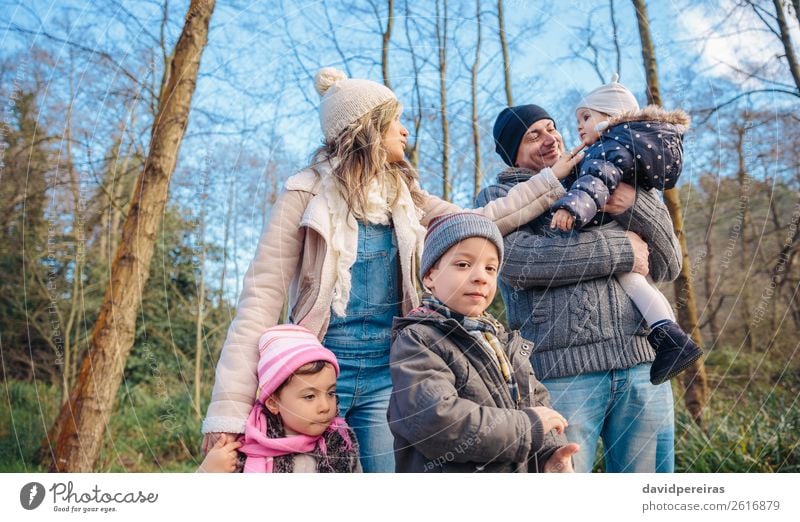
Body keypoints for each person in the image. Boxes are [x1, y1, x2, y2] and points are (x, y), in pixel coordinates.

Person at [201, 68, 584, 472]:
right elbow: (260, 299)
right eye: (394, 121)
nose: (404, 131)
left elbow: (480, 219)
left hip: (388, 376)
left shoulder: (406, 197)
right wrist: (228, 412)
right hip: (317, 378)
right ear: (366, 129)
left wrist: (550, 181)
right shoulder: (304, 193)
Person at [477, 102, 682, 472]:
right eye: (532, 135)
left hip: (642, 364)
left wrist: (634, 203)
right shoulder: (495, 201)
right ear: (512, 152)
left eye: (551, 127)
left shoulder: (608, 171)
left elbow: (669, 263)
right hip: (563, 375)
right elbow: (521, 263)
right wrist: (622, 248)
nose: (549, 138)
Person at [388, 212, 579, 472]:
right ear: (430, 275)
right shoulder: (418, 340)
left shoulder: (501, 340)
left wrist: (549, 453)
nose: (481, 277)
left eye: (490, 268)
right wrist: (527, 428)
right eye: (463, 264)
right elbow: (437, 420)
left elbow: (535, 402)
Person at [549, 74, 702, 385]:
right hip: (620, 236)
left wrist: (571, 207)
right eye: (578, 119)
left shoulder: (607, 148)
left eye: (586, 117)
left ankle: (669, 335)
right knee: (635, 281)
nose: (578, 126)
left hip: (610, 228)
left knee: (633, 281)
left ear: (611, 117)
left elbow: (596, 180)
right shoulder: (630, 144)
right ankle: (667, 334)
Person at [198, 325, 360, 472]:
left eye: (330, 393)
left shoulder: (342, 446)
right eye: (310, 396)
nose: (325, 406)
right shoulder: (239, 453)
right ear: (273, 403)